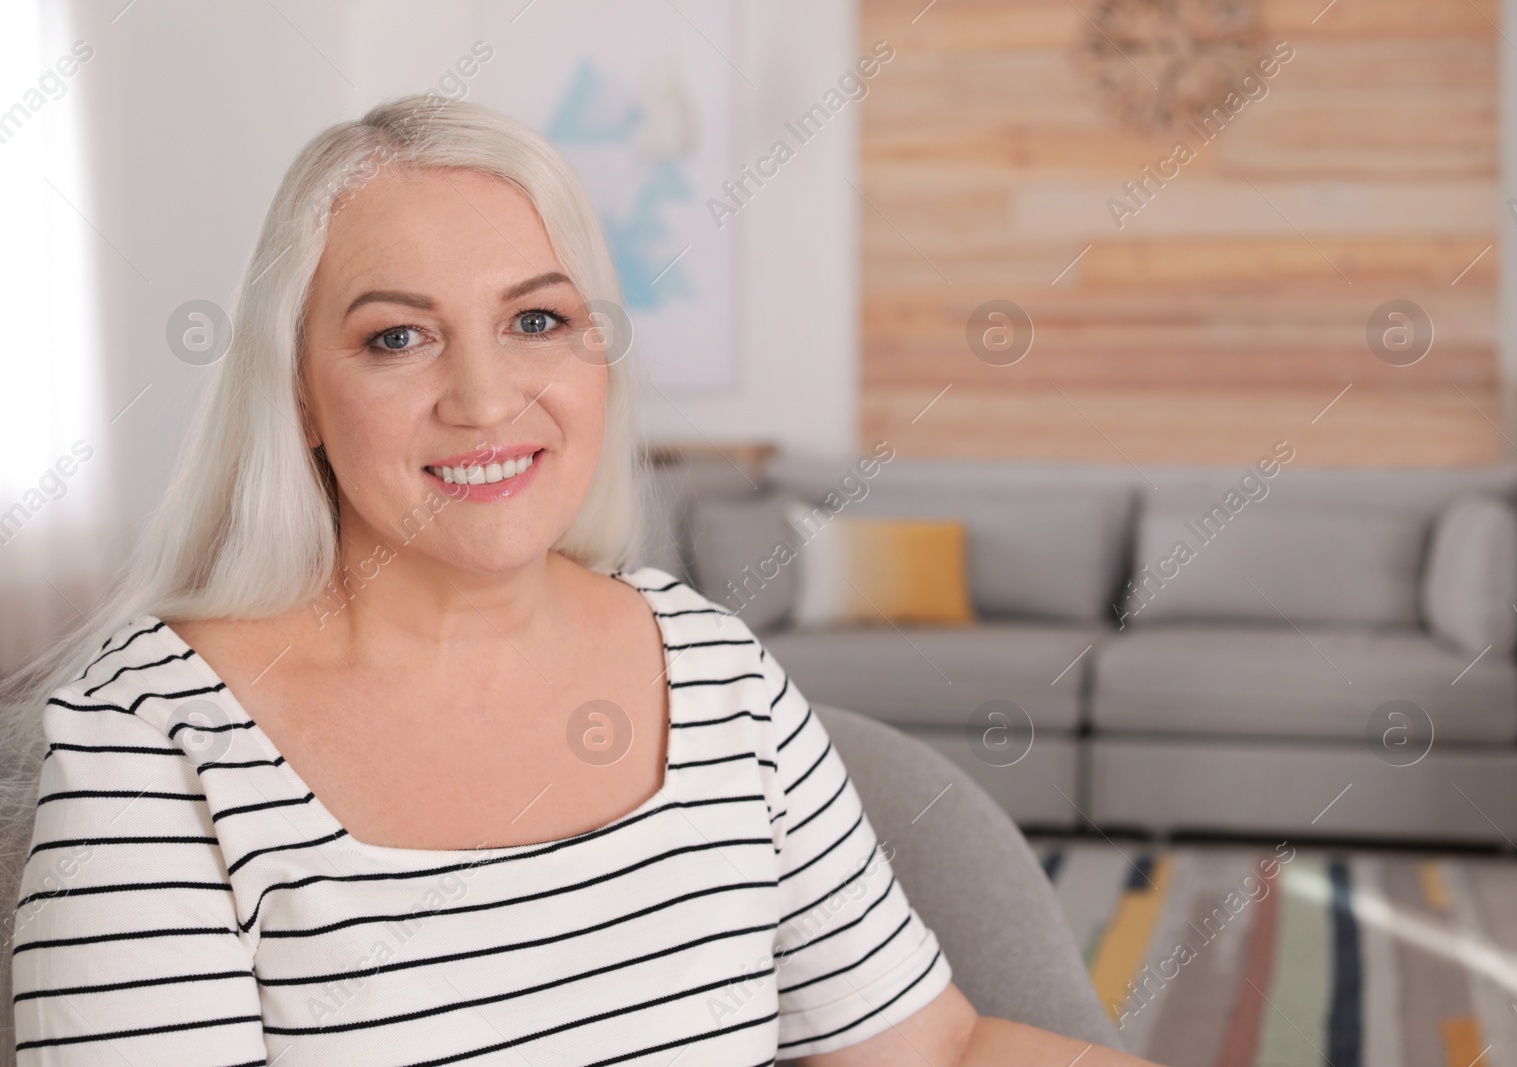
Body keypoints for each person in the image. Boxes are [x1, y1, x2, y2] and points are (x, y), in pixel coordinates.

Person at [5, 96, 1158, 1066]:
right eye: (398, 338)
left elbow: (933, 1049)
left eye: (536, 319)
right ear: (299, 392)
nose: (485, 396)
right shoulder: (147, 738)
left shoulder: (712, 668)